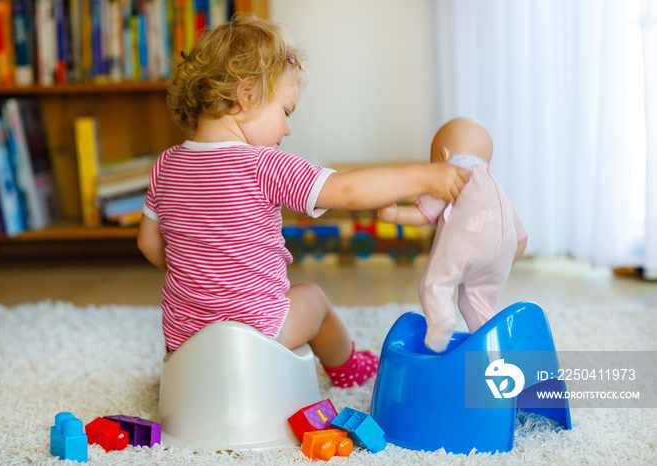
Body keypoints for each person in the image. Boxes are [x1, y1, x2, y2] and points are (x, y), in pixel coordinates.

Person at [137, 15, 469, 388]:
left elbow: (149, 244)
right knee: (312, 298)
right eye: (286, 111)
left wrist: (201, 263)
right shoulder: (264, 164)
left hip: (183, 341)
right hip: (259, 333)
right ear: (246, 95)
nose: (288, 128)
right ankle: (347, 368)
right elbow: (348, 191)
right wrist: (424, 177)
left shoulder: (166, 165)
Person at [378, 118, 528, 352]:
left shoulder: (452, 176)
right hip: (503, 250)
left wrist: (395, 214)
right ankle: (490, 345)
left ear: (442, 155)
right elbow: (521, 236)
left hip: (468, 241)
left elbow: (421, 214)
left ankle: (441, 326)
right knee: (475, 300)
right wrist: (505, 259)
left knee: (434, 283)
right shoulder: (498, 188)